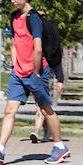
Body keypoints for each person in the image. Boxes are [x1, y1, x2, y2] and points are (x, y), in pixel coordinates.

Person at [0, 0, 69, 165]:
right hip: (18, 74)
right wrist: (15, 65)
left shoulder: (34, 18)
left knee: (45, 109)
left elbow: (37, 48)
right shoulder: (14, 17)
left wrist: (36, 72)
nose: (12, 1)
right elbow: (15, 43)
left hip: (36, 72)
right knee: (9, 111)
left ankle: (60, 147)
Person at [31, 10, 65, 143]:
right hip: (42, 75)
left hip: (45, 75)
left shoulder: (44, 37)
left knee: (43, 106)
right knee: (43, 106)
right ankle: (44, 132)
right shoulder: (47, 35)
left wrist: (60, 79)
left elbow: (57, 60)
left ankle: (37, 130)